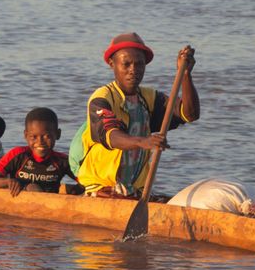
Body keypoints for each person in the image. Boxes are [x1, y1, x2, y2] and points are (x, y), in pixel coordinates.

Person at [75, 33, 200, 197]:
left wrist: (185, 75)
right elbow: (110, 136)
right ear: (112, 64)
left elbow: (189, 114)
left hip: (135, 190)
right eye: (126, 64)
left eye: (139, 64)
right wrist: (143, 142)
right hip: (102, 188)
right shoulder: (102, 97)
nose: (133, 70)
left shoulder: (149, 98)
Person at [0, 108, 74, 196]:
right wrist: (8, 181)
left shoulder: (62, 161)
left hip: (49, 205)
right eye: (33, 137)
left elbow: (86, 181)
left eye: (47, 136)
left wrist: (76, 190)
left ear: (58, 134)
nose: (40, 142)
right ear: (26, 135)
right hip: (20, 201)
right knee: (32, 187)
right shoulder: (17, 155)